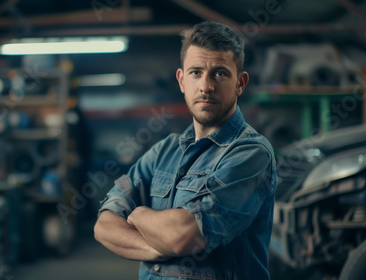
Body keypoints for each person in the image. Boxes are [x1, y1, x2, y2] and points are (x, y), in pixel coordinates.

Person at [94, 21, 278, 280]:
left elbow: (184, 237)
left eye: (220, 73)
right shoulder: (163, 152)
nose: (206, 86)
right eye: (195, 72)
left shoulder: (251, 154)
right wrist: (157, 248)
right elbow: (104, 226)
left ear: (241, 83)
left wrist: (137, 214)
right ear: (181, 80)